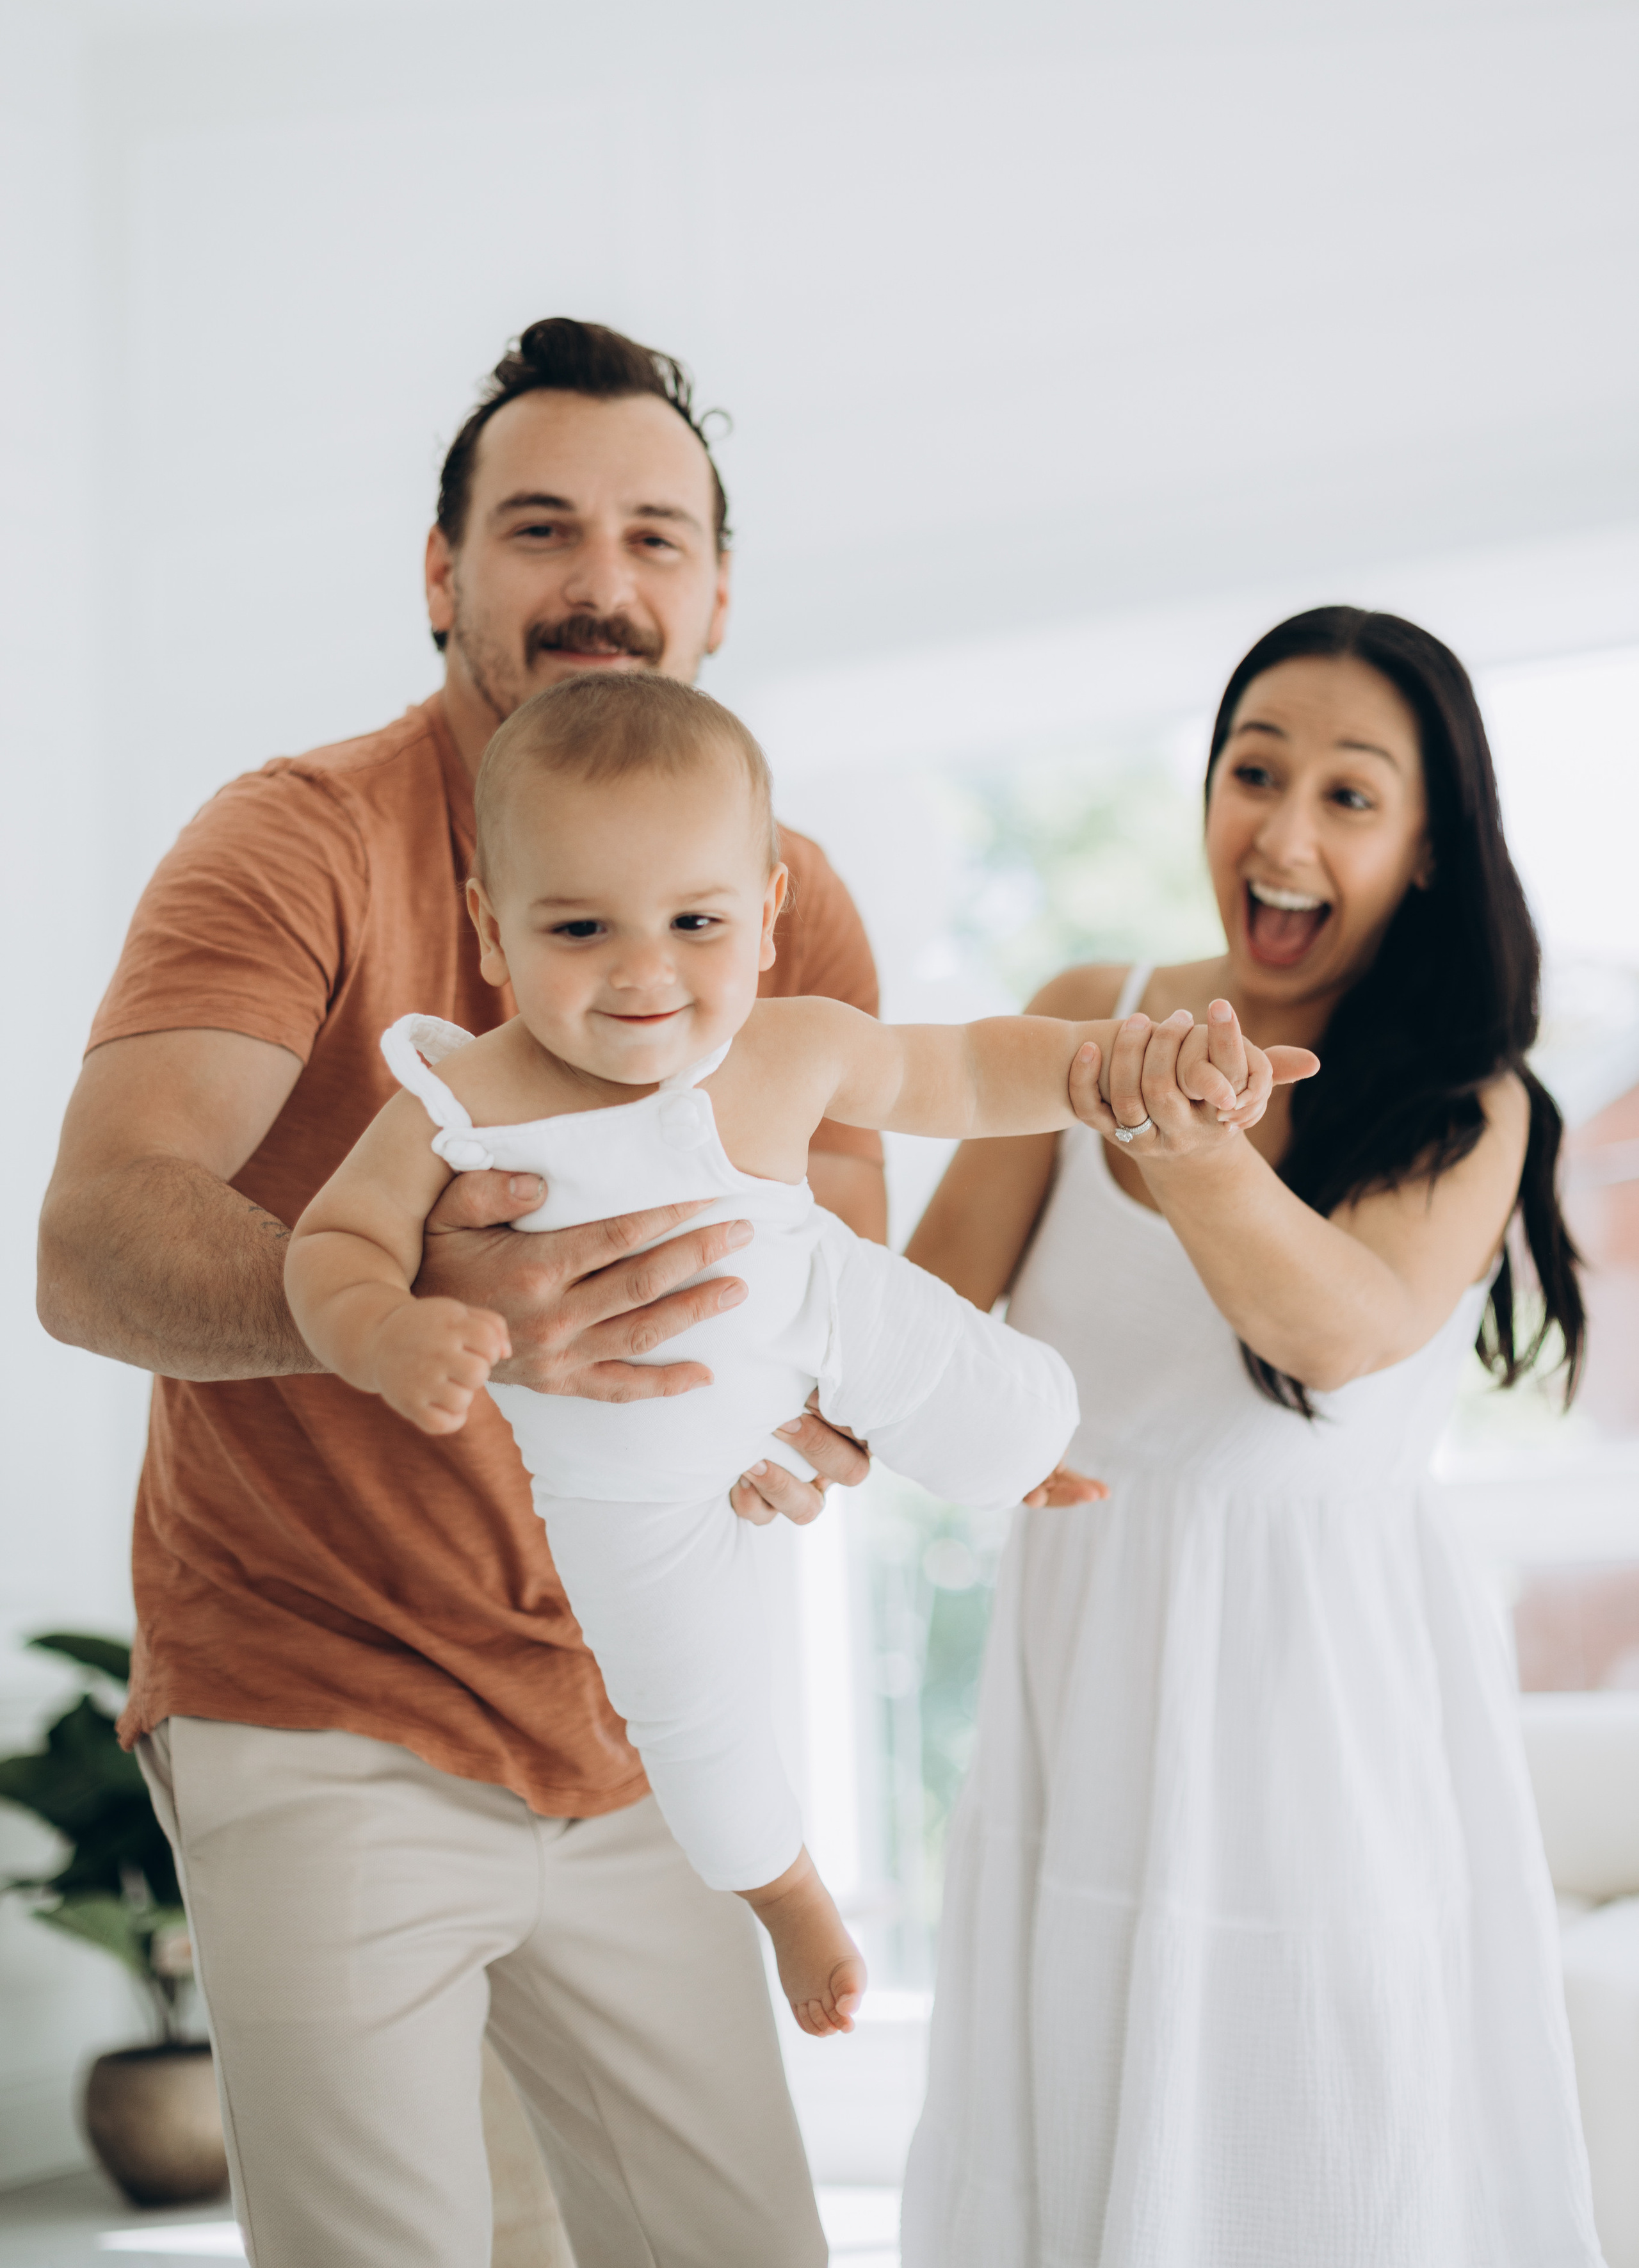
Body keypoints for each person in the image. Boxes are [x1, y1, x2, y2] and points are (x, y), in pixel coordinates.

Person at [35, 320, 907, 2268]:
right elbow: (94, 1243)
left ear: (716, 593)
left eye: (656, 537)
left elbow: (832, 1278)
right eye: (541, 528)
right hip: (318, 1692)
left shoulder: (786, 895)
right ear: (443, 576)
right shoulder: (300, 842)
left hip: (636, 1722)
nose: (604, 581)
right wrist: (427, 1292)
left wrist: (806, 1414)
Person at [285, 673, 1308, 2040]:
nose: (645, 973)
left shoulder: (784, 1050)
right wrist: (383, 1328)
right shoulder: (456, 1101)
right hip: (621, 1490)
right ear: (489, 930)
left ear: (765, 918)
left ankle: (1024, 1463)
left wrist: (1141, 1067)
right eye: (580, 927)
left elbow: (980, 1070)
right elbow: (330, 1242)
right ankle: (784, 1895)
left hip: (811, 1330)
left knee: (1002, 1393)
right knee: (689, 1720)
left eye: (694, 922)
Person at [899, 608, 1601, 2268]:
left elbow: (1337, 1334)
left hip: (1322, 1722)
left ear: (1429, 847)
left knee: (1321, 2147)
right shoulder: (1087, 1013)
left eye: (1351, 796)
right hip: (1084, 1690)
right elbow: (916, 1332)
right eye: (1253, 770)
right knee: (1072, 2125)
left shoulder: (1471, 1096)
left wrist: (1195, 1148)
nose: (1282, 833)